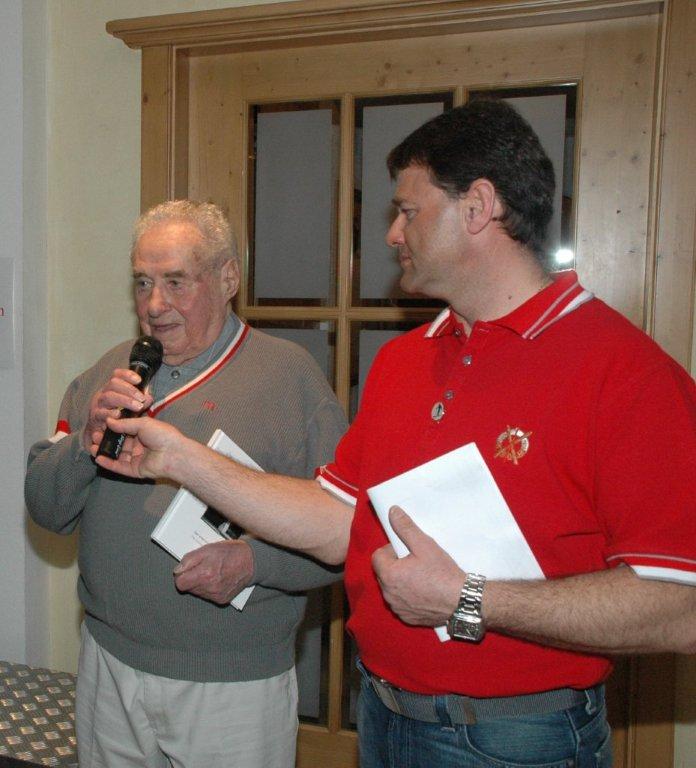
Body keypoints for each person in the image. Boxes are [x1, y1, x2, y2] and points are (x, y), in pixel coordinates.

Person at [93, 102, 696, 768]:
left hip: (518, 739)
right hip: (382, 717)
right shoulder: (405, 360)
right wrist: (180, 459)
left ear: (478, 207)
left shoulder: (623, 371)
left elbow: (681, 606)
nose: (391, 234)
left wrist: (471, 601)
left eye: (408, 211)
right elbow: (336, 521)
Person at [25, 200, 347, 768]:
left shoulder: (290, 379)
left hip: (232, 686)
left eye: (176, 282)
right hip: (107, 663)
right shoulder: (108, 373)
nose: (154, 305)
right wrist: (84, 443)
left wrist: (255, 563)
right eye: (142, 282)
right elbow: (45, 508)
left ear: (227, 278)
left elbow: (349, 536)